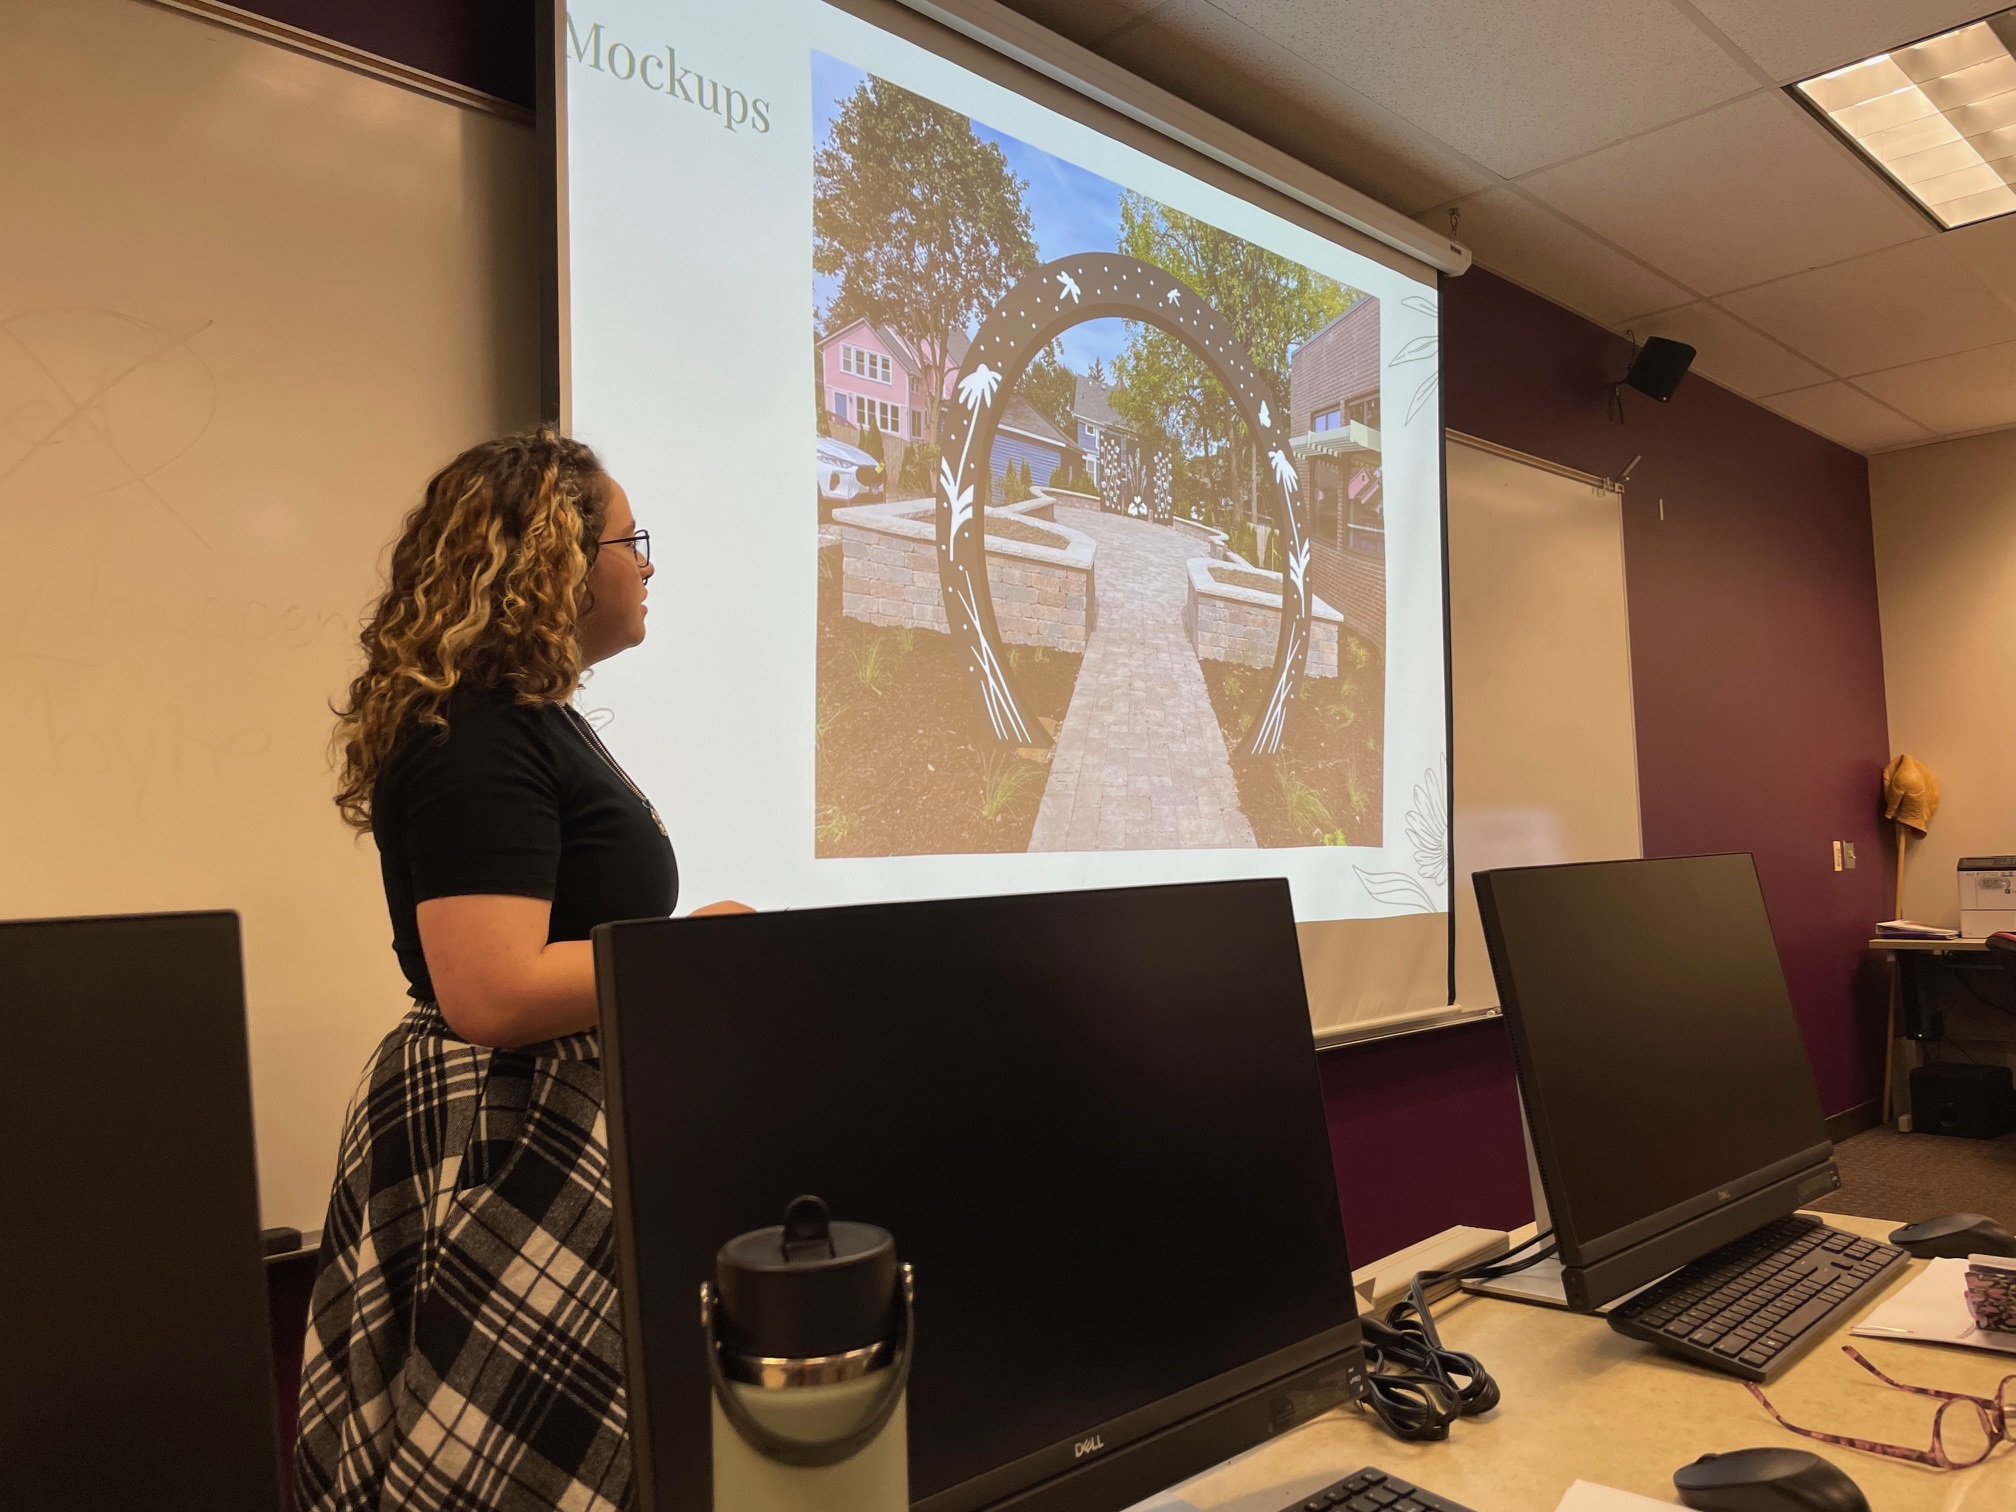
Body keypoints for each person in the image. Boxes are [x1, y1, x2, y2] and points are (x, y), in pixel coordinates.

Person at [297, 429, 710, 1512]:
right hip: (506, 1141)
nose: (650, 564)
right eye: (635, 541)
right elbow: (491, 991)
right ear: (558, 564)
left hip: (551, 1123)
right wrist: (693, 949)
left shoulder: (532, 724)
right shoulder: (472, 736)